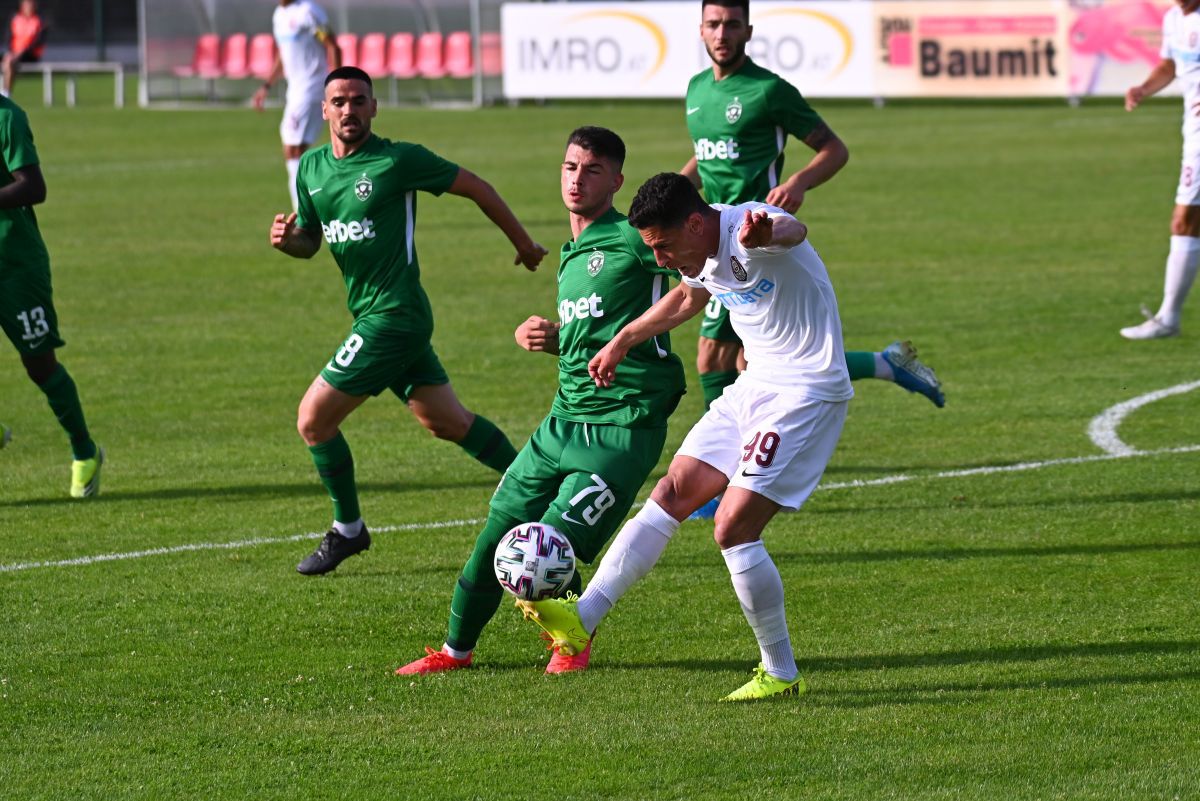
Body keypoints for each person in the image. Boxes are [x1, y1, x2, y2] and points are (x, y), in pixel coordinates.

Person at [520, 172, 852, 702]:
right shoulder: (697, 247)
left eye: (664, 246)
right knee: (671, 492)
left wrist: (766, 234)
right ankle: (583, 619)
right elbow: (685, 298)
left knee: (732, 527)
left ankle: (781, 671)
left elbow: (794, 229)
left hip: (804, 392)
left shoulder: (748, 227)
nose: (660, 258)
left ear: (696, 224)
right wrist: (622, 341)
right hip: (756, 385)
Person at [395, 127, 686, 676]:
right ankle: (455, 652)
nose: (578, 179)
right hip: (559, 424)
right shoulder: (574, 253)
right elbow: (593, 329)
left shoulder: (632, 238)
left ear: (617, 180)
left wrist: (628, 340)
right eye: (571, 167)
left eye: (593, 170)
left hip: (621, 428)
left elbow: (695, 285)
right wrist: (555, 338)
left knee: (544, 550)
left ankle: (572, 642)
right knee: (494, 540)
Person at [269, 66, 547, 575]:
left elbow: (476, 186)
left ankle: (348, 530)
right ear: (324, 109)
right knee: (447, 422)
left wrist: (523, 243)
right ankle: (537, 485)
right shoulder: (309, 169)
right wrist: (292, 243)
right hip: (381, 316)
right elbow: (311, 238)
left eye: (359, 100)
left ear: (374, 107)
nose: (349, 110)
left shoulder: (398, 160)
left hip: (392, 317)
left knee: (314, 420)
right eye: (339, 101)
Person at [682, 0, 942, 447]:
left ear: (748, 31)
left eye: (731, 25)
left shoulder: (769, 91)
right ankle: (886, 363)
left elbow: (834, 149)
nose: (722, 34)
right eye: (713, 24)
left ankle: (716, 471)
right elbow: (706, 157)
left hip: (750, 240)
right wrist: (672, 191)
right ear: (701, 30)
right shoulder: (696, 89)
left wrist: (798, 183)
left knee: (713, 357)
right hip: (709, 236)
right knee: (752, 361)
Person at [0, 94, 103, 497]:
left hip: (15, 263)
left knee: (39, 366)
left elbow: (33, 187)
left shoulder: (8, 117)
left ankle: (85, 452)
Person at [1120, 0, 1200, 339]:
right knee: (1186, 221)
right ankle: (1168, 318)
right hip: (1192, 131)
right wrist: (1144, 88)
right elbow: (1170, 64)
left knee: (1184, 220)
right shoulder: (1172, 19)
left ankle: (1169, 317)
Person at [253, 0, 341, 212]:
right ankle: (314, 204)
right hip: (294, 90)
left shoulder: (308, 12)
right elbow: (283, 54)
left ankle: (302, 210)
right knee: (296, 150)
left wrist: (338, 84)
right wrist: (267, 85)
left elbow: (332, 44)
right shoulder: (279, 15)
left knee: (293, 149)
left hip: (311, 87)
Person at [1, 1, 45, 99]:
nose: (29, 7)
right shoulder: (16, 19)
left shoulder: (39, 20)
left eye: (31, 4)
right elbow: (9, 37)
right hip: (13, 54)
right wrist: (10, 52)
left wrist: (21, 53)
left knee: (9, 62)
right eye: (26, 4)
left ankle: (5, 94)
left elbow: (37, 42)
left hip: (30, 55)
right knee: (8, 60)